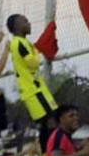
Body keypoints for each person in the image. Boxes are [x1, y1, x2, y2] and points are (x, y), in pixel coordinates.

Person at [6, 13, 61, 142]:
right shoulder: (18, 43)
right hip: (33, 91)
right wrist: (37, 50)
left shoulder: (24, 42)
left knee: (50, 121)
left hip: (38, 89)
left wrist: (35, 48)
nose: (29, 24)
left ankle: (47, 155)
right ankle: (51, 153)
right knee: (50, 122)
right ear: (16, 26)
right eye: (25, 21)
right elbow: (33, 62)